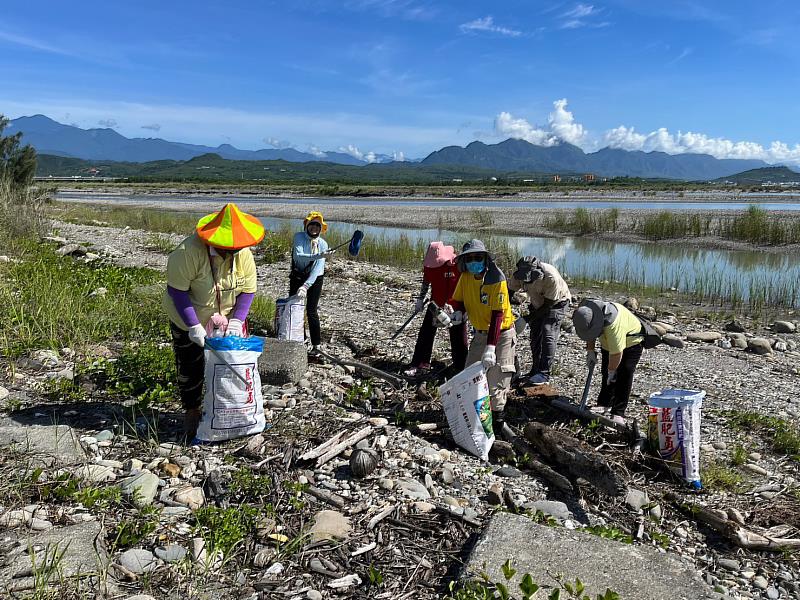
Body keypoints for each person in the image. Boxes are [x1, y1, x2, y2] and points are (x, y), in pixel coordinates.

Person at [163, 203, 264, 439]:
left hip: (227, 320)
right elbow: (177, 292)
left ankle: (228, 411)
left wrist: (237, 321)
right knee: (190, 366)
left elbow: (248, 291)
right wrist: (194, 326)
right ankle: (192, 411)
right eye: (226, 249)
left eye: (236, 249)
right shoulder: (188, 252)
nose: (232, 253)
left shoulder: (244, 255)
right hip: (187, 317)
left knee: (231, 364)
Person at [445, 239, 517, 434]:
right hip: (479, 334)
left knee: (496, 383)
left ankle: (498, 424)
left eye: (478, 257)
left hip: (500, 335)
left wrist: (491, 347)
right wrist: (457, 312)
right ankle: (472, 419)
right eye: (469, 258)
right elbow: (458, 300)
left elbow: (497, 315)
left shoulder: (496, 279)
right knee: (470, 378)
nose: (473, 261)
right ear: (464, 261)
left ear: (485, 259)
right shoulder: (466, 277)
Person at [572, 298, 644, 425]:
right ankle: (604, 404)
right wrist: (590, 351)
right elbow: (590, 333)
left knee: (624, 373)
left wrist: (612, 371)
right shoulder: (588, 311)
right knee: (605, 372)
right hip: (608, 343)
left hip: (632, 342)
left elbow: (616, 353)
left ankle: (618, 412)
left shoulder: (613, 323)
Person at [404, 242, 468, 377]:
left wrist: (466, 308)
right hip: (435, 304)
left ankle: (460, 366)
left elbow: (467, 284)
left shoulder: (458, 265)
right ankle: (419, 363)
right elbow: (426, 282)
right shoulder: (429, 267)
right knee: (426, 334)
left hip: (456, 305)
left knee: (459, 337)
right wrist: (420, 299)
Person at [509, 256, 571, 385]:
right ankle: (535, 370)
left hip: (557, 303)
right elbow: (508, 292)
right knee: (535, 334)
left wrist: (526, 319)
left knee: (548, 332)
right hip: (537, 303)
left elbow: (549, 305)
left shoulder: (550, 277)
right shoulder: (518, 275)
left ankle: (544, 373)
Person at [290, 211, 334, 353]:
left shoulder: (323, 244)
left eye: (317, 225)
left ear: (321, 228)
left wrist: (306, 286)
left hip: (315, 278)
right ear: (306, 226)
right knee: (295, 308)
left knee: (312, 311)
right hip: (297, 275)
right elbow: (299, 256)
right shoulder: (298, 237)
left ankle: (316, 345)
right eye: (312, 225)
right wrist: (319, 255)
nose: (314, 228)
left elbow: (317, 269)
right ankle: (300, 340)